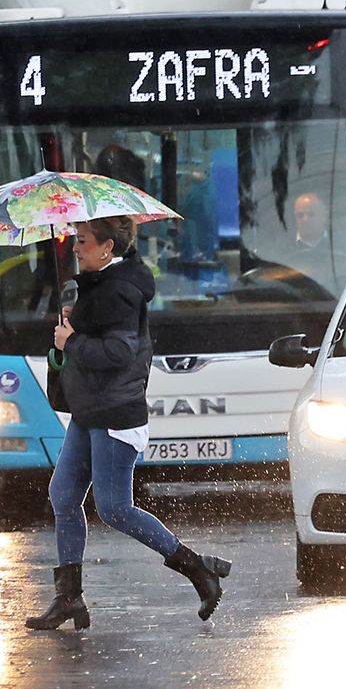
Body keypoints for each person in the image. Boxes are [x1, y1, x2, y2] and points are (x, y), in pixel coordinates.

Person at [25, 215, 233, 631]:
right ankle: (69, 599)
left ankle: (198, 568)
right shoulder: (98, 286)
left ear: (107, 248)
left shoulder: (119, 292)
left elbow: (119, 354)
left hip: (115, 414)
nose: (75, 248)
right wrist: (72, 327)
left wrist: (74, 340)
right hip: (90, 411)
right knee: (64, 495)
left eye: (82, 241)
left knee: (115, 509)